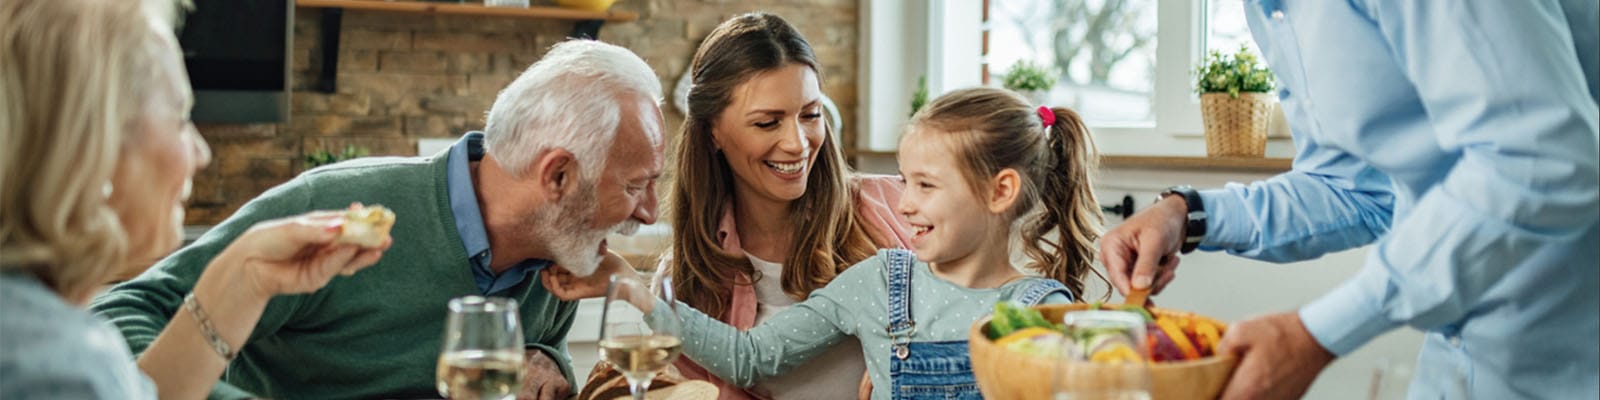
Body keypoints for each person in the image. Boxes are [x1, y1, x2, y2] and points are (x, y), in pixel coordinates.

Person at [90, 39, 667, 399]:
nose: (648, 212)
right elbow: (115, 317)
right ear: (558, 177)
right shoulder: (341, 208)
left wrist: (550, 363)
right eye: (637, 186)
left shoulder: (559, 254)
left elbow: (533, 361)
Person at [1098, 1, 1598, 399]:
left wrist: (1316, 334)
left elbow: (1539, 160)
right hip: (1460, 351)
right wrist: (1187, 213)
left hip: (1572, 353)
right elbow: (1355, 187)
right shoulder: (1272, 12)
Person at [570, 87, 1106, 399]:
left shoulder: (1038, 312)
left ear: (1000, 191)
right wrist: (635, 290)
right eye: (903, 180)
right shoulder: (881, 281)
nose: (904, 203)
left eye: (925, 185)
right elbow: (751, 357)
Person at [1, 0, 387, 399]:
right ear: (91, 146)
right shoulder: (55, 372)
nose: (201, 153)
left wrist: (246, 275)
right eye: (182, 117)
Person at [662, 12, 912, 400]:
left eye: (810, 115)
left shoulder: (900, 207)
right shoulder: (685, 281)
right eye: (767, 123)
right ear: (712, 131)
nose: (797, 143)